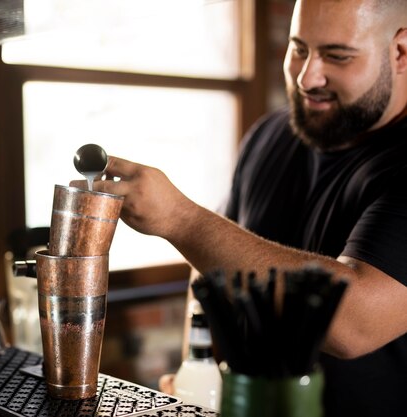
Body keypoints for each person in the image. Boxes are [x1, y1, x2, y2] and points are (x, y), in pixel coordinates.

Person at [79, 0, 407, 415]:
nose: (308, 76)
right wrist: (197, 368)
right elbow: (212, 264)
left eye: (337, 55)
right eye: (299, 49)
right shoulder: (269, 135)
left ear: (400, 52)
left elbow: (352, 323)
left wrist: (181, 219)